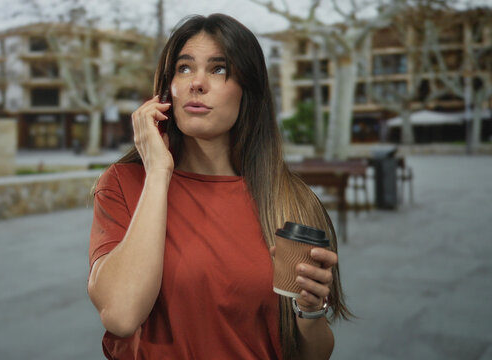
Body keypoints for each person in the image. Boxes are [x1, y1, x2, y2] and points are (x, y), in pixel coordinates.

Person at [88, 13, 350, 359]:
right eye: (183, 68)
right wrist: (158, 173)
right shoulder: (124, 183)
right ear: (167, 89)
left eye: (219, 69)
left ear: (248, 91)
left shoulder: (290, 201)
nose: (197, 83)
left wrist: (311, 311)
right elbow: (121, 316)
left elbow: (313, 354)